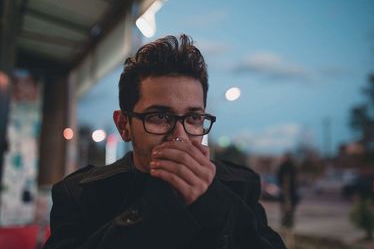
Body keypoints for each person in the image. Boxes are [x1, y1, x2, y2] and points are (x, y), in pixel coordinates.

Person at [43, 34, 286, 249]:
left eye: (193, 117)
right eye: (159, 116)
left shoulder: (239, 186)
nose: (178, 135)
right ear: (124, 125)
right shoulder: (80, 195)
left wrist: (212, 201)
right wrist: (161, 202)